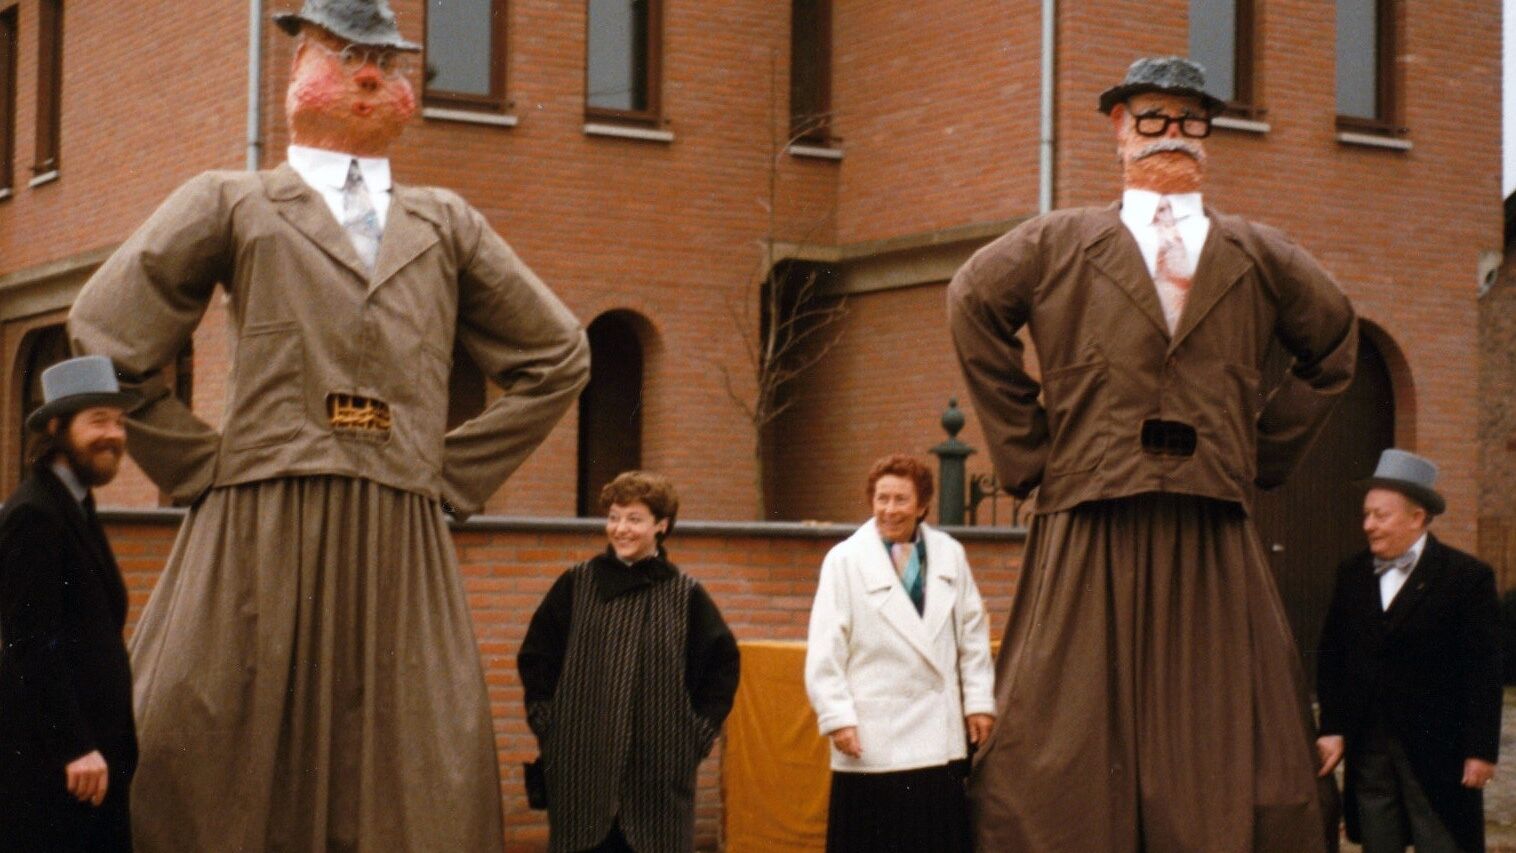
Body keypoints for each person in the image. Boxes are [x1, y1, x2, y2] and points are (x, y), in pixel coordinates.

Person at [66, 1, 589, 849]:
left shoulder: (446, 224)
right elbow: (104, 330)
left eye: (386, 58)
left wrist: (446, 472)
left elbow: (559, 355)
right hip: (258, 529)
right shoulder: (234, 203)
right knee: (205, 748)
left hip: (398, 538)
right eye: (342, 55)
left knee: (412, 776)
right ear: (297, 67)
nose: (369, 73)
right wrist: (198, 461)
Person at [948, 56, 1358, 851]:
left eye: (1190, 118)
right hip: (1090, 514)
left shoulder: (1256, 252)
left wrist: (1257, 452)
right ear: (1119, 127)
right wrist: (1032, 449)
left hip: (1211, 523)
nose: (1172, 133)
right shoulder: (1059, 241)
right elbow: (970, 298)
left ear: (1209, 132)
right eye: (1153, 117)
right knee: (1065, 721)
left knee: (1227, 723)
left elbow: (1335, 341)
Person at [518, 471, 740, 853]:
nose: (621, 529)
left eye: (634, 519)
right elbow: (537, 656)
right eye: (614, 517)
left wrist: (695, 736)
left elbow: (722, 668)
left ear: (661, 525)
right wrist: (548, 724)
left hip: (658, 776)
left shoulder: (685, 595)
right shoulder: (576, 585)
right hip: (581, 766)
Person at [803, 454, 995, 853]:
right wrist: (837, 717)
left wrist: (978, 702)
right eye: (882, 498)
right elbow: (825, 649)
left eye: (901, 499)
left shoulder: (951, 554)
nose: (890, 510)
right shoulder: (844, 561)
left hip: (938, 740)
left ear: (922, 506)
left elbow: (972, 635)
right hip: (873, 738)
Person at [1316, 449, 1502, 853]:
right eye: (1366, 514)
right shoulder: (1352, 574)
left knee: (1442, 841)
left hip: (1439, 753)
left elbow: (1483, 671)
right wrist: (1332, 727)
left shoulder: (1466, 578)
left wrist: (1481, 750)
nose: (1368, 525)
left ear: (1417, 518)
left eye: (1380, 516)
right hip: (1369, 750)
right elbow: (1332, 657)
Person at [0, 356, 139, 851]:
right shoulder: (34, 515)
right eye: (98, 421)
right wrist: (74, 746)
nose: (114, 435)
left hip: (90, 767)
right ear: (56, 428)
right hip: (59, 772)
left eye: (119, 422)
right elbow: (29, 645)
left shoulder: (75, 505)